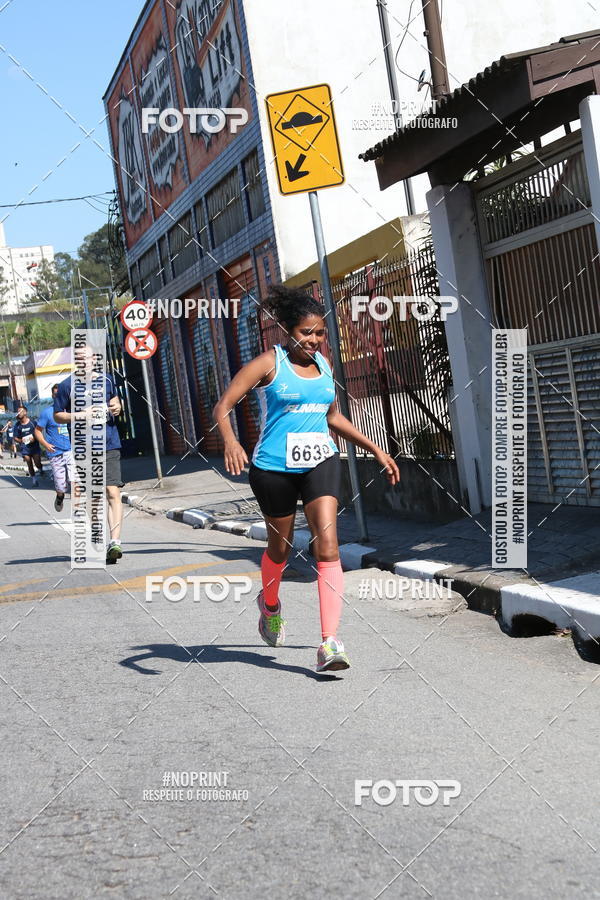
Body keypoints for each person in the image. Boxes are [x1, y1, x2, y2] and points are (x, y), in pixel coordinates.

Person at [212, 285, 400, 674]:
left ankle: (329, 641)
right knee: (279, 550)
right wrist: (230, 441)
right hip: (273, 468)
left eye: (319, 333)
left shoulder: (325, 367)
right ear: (286, 330)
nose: (313, 340)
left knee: (327, 545)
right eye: (306, 333)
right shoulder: (269, 363)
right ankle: (270, 605)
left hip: (319, 463)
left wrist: (377, 449)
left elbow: (333, 418)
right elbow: (224, 405)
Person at [53, 357, 124, 564]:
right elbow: (58, 415)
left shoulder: (108, 380)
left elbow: (116, 401)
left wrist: (117, 406)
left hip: (109, 443)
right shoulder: (67, 386)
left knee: (112, 491)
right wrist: (80, 414)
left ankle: (115, 542)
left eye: (91, 358)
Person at [35, 391, 73, 512]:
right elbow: (37, 430)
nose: (58, 396)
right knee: (61, 486)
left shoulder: (70, 410)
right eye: (55, 394)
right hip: (55, 453)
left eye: (60, 394)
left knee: (75, 481)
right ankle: (60, 496)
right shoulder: (47, 413)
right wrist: (45, 444)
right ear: (53, 396)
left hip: (71, 451)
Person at [13, 405, 44, 486]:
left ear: (25, 412)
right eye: (18, 411)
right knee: (29, 462)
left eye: (20, 411)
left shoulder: (33, 423)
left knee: (37, 463)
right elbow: (15, 437)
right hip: (25, 448)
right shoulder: (17, 425)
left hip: (34, 447)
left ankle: (40, 469)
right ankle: (34, 480)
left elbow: (39, 432)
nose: (19, 413)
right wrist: (20, 440)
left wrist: (35, 438)